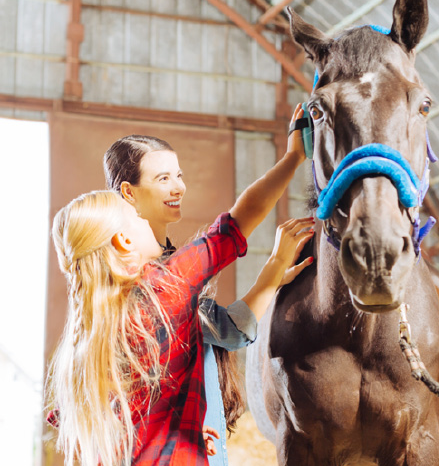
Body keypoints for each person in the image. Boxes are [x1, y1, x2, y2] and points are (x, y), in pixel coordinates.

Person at [46, 116, 310, 465]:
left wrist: (192, 439)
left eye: (179, 175)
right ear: (123, 240)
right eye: (138, 217)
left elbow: (224, 330)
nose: (178, 187)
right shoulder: (164, 289)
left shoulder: (86, 339)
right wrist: (293, 157)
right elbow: (235, 225)